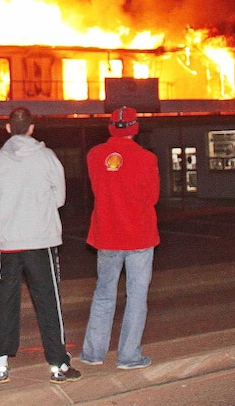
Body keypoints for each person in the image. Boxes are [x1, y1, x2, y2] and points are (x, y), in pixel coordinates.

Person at [0, 106, 81, 385]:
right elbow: (60, 198)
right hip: (41, 240)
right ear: (32, 128)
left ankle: (1, 363)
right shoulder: (47, 158)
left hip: (9, 241)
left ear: (7, 128)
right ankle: (58, 364)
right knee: (48, 301)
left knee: (7, 301)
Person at [79, 106, 160, 370]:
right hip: (139, 236)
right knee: (136, 297)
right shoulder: (146, 158)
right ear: (135, 128)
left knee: (104, 294)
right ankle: (128, 356)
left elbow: (97, 189)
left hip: (107, 235)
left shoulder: (94, 155)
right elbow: (154, 197)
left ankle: (93, 353)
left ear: (111, 127)